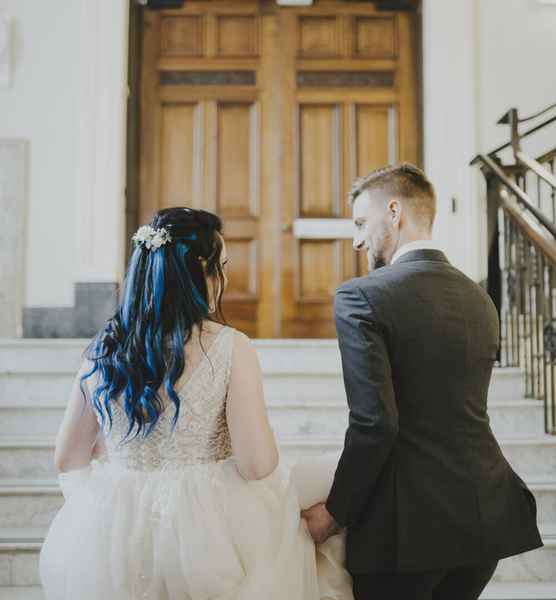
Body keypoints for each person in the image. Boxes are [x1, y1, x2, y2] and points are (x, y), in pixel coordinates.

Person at [39, 207, 352, 600]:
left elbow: (68, 458)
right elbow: (257, 466)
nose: (224, 280)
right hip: (206, 525)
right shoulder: (228, 347)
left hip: (114, 526)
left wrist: (122, 448)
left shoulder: (102, 350)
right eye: (221, 267)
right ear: (199, 276)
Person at [301, 163, 543, 600]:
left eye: (361, 223)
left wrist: (335, 513)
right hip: (482, 518)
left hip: (405, 532)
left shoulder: (361, 297)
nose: (356, 240)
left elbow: (376, 424)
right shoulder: (479, 297)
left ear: (394, 212)